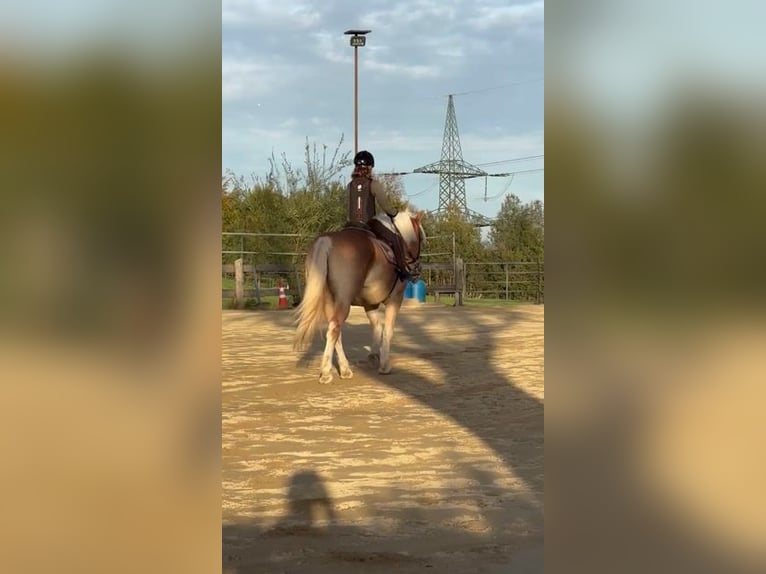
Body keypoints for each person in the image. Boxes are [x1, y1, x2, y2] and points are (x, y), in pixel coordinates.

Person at [346, 150, 412, 281]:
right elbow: (386, 207)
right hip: (368, 224)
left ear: (356, 167)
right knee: (395, 238)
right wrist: (395, 214)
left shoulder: (350, 185)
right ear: (370, 167)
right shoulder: (373, 184)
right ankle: (402, 271)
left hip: (351, 224)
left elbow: (348, 206)